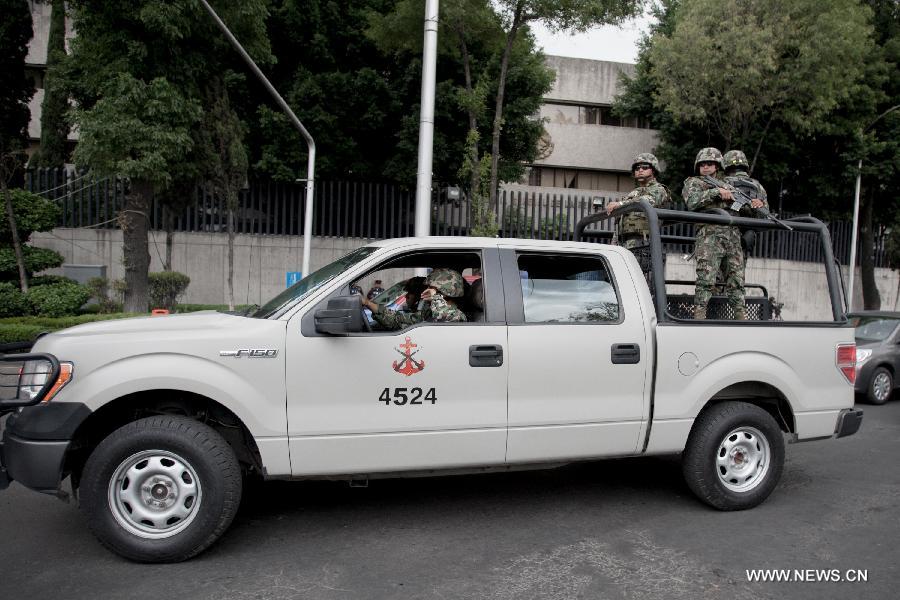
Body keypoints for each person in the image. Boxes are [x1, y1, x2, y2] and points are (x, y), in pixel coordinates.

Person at [683, 147, 745, 320]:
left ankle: (741, 316)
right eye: (702, 164)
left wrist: (754, 202)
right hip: (709, 235)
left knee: (737, 279)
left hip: (732, 236)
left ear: (718, 166)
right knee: (705, 279)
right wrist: (716, 192)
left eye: (710, 164)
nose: (706, 167)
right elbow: (692, 202)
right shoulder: (694, 182)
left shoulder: (729, 184)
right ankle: (700, 315)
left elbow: (741, 208)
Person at [605, 152, 672, 275]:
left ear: (654, 170)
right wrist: (614, 245)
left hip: (644, 246)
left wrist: (620, 204)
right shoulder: (634, 193)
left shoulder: (659, 190)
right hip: (624, 246)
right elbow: (621, 221)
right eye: (637, 168)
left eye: (645, 167)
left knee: (643, 287)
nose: (640, 170)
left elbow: (648, 201)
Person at [361, 268, 467, 330]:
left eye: (432, 288)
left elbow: (443, 316)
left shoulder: (457, 316)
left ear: (445, 292)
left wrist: (435, 297)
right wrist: (368, 303)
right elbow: (398, 320)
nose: (427, 290)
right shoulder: (429, 311)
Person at [722, 149, 768, 282]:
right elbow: (764, 216)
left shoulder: (722, 182)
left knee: (715, 282)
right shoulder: (758, 186)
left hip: (720, 237)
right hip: (742, 240)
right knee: (736, 282)